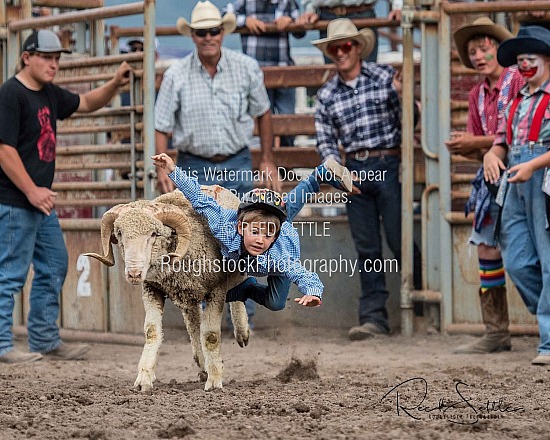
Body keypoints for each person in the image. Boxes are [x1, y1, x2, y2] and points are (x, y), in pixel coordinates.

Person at [0, 29, 131, 364]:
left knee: (55, 264)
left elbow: (86, 102)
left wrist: (115, 84)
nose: (53, 64)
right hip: (16, 201)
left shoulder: (48, 94)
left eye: (57, 58)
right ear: (27, 57)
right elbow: (4, 150)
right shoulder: (10, 94)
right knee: (10, 272)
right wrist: (31, 190)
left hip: (39, 203)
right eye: (46, 57)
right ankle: (1, 345)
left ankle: (44, 339)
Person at [155, 1, 282, 325]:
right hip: (195, 164)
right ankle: (200, 312)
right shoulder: (176, 75)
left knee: (246, 234)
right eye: (202, 32)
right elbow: (161, 125)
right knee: (200, 237)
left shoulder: (245, 67)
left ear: (222, 32)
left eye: (213, 31)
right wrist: (163, 168)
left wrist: (267, 158)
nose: (208, 37)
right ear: (193, 36)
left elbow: (263, 113)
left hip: (237, 159)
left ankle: (242, 313)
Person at [311, 18, 421, 340]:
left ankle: (423, 301)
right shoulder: (326, 95)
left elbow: (410, 121)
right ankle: (374, 317)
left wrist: (403, 97)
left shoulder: (386, 78)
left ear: (358, 48)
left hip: (388, 163)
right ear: (330, 53)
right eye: (335, 47)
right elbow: (325, 141)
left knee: (399, 239)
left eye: (346, 45)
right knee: (367, 247)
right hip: (354, 170)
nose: (341, 52)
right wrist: (335, 169)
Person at [152, 152, 354, 309]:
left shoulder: (279, 255)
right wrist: (172, 169)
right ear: (240, 227)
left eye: (267, 236)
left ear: (274, 236)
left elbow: (301, 273)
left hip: (281, 241)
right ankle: (318, 177)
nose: (260, 240)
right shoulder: (225, 227)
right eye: (255, 233)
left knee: (276, 303)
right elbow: (198, 198)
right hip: (260, 224)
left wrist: (314, 292)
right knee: (212, 294)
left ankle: (317, 177)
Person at [444, 18, 524, 354]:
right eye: (473, 51)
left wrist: (475, 141)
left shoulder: (519, 79)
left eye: (484, 47)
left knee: (529, 252)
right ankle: (496, 331)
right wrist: (468, 146)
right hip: (494, 177)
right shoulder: (478, 94)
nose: (478, 55)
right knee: (488, 250)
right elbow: (483, 152)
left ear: (498, 48)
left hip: (525, 171)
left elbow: (519, 133)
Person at [483, 26, 550, 365]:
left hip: (543, 178)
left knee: (549, 257)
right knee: (518, 260)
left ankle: (549, 342)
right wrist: (491, 154)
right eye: (520, 59)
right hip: (515, 177)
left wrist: (533, 165)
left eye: (531, 58)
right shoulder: (516, 100)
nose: (524, 64)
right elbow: (501, 141)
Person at [223, 0, 306, 147]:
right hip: (255, 74)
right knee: (256, 124)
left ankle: (285, 164)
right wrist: (245, 21)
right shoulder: (244, 2)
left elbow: (301, 29)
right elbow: (223, 15)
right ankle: (260, 165)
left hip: (283, 71)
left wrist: (292, 22)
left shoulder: (288, 2)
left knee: (287, 122)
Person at [297, 0, 403, 63]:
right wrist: (309, 9)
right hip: (327, 15)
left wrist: (398, 6)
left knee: (368, 75)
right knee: (334, 77)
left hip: (362, 13)